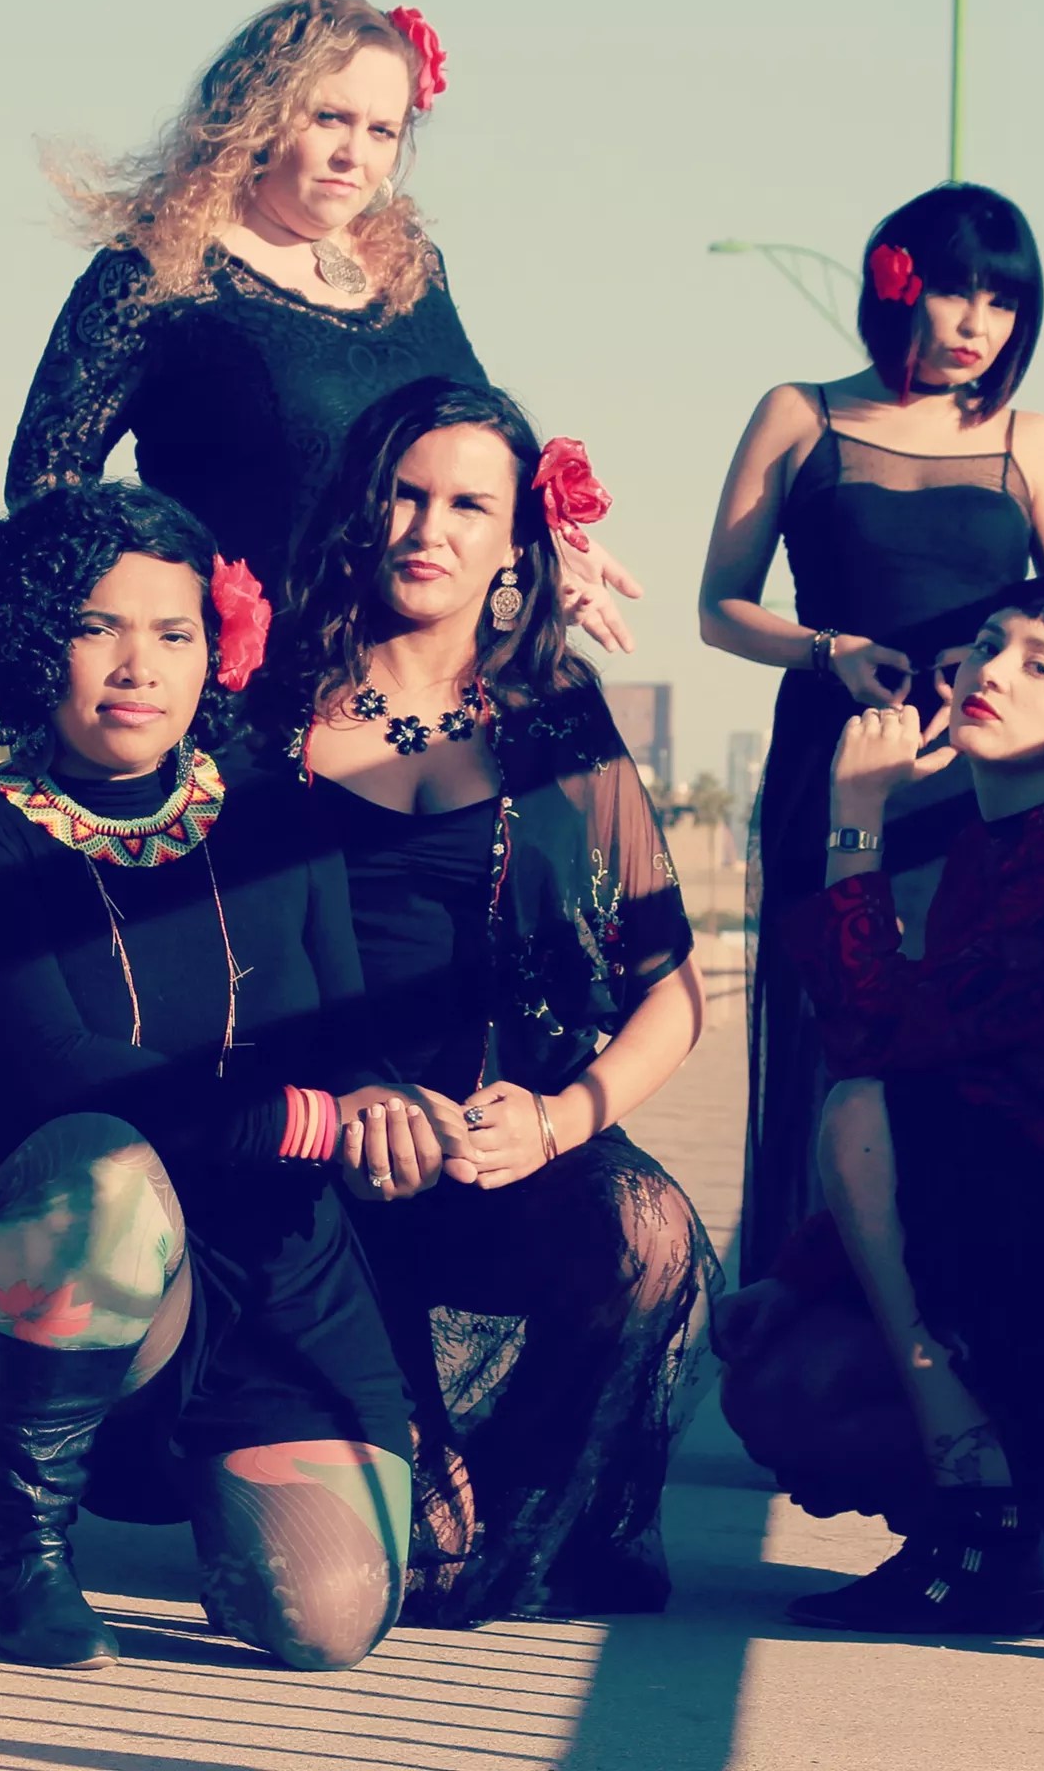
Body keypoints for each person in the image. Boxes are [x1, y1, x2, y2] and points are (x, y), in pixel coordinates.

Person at [0, 482, 435, 1673]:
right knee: (108, 1167)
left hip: (280, 1275)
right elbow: (57, 1072)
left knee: (329, 1622)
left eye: (173, 633)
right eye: (95, 627)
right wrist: (300, 1120)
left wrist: (382, 1104)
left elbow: (348, 1037)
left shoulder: (281, 814)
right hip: (78, 1275)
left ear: (214, 649)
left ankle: (232, 1509)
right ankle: (16, 1546)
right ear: (34, 640)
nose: (138, 667)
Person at [250, 374, 715, 1625]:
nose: (428, 529)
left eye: (468, 506)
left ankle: (514, 1495)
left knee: (646, 1233)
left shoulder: (556, 719)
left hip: (488, 1148)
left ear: (517, 542)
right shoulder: (266, 708)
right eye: (405, 495)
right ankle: (402, 1470)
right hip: (307, 1154)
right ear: (362, 506)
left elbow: (672, 992)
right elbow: (99, 859)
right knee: (408, 1564)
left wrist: (558, 1121)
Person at [718, 558, 1044, 1634]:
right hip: (1023, 1232)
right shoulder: (1005, 840)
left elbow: (873, 1042)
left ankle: (985, 1510)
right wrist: (804, 1271)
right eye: (987, 646)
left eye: (1043, 665)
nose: (993, 673)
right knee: (781, 1371)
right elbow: (936, 1067)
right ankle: (1025, 1535)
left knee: (855, 1112)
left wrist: (854, 811)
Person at [698, 182, 1044, 1281]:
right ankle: (816, 1302)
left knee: (958, 1042)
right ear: (900, 285)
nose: (979, 323)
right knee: (837, 1034)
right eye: (959, 292)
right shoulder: (800, 414)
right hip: (834, 767)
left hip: (980, 789)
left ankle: (949, 1305)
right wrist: (827, 649)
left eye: (1005, 303)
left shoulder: (1030, 442)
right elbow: (719, 608)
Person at [5, 0, 635, 645]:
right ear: (259, 116)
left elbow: (478, 440)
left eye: (382, 131)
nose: (353, 154)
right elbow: (45, 486)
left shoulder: (410, 262)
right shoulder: (158, 271)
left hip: (419, 662)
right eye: (331, 118)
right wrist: (166, 612)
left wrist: (545, 538)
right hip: (258, 676)